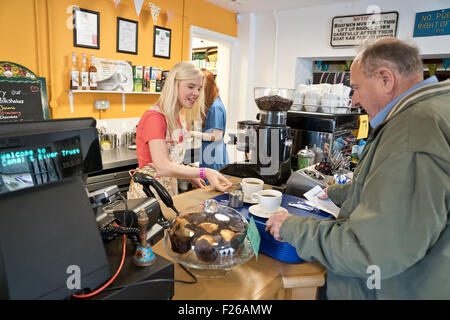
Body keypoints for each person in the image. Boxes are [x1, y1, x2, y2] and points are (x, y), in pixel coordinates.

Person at [265, 38, 450, 299]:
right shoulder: (436, 110)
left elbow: (371, 249)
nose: (353, 101)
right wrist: (349, 192)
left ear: (385, 79)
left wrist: (293, 227)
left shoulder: (413, 129)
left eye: (356, 88)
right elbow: (417, 199)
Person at [128, 62, 232, 199]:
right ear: (174, 85)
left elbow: (173, 160)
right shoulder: (154, 117)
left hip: (167, 190)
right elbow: (162, 166)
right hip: (148, 193)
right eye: (191, 86)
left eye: (199, 88)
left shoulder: (178, 117)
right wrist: (203, 172)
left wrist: (190, 176)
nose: (196, 93)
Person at [189, 69, 229, 172]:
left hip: (214, 154)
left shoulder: (215, 107)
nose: (196, 92)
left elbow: (217, 136)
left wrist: (192, 133)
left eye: (199, 88)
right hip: (209, 152)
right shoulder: (213, 103)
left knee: (212, 183)